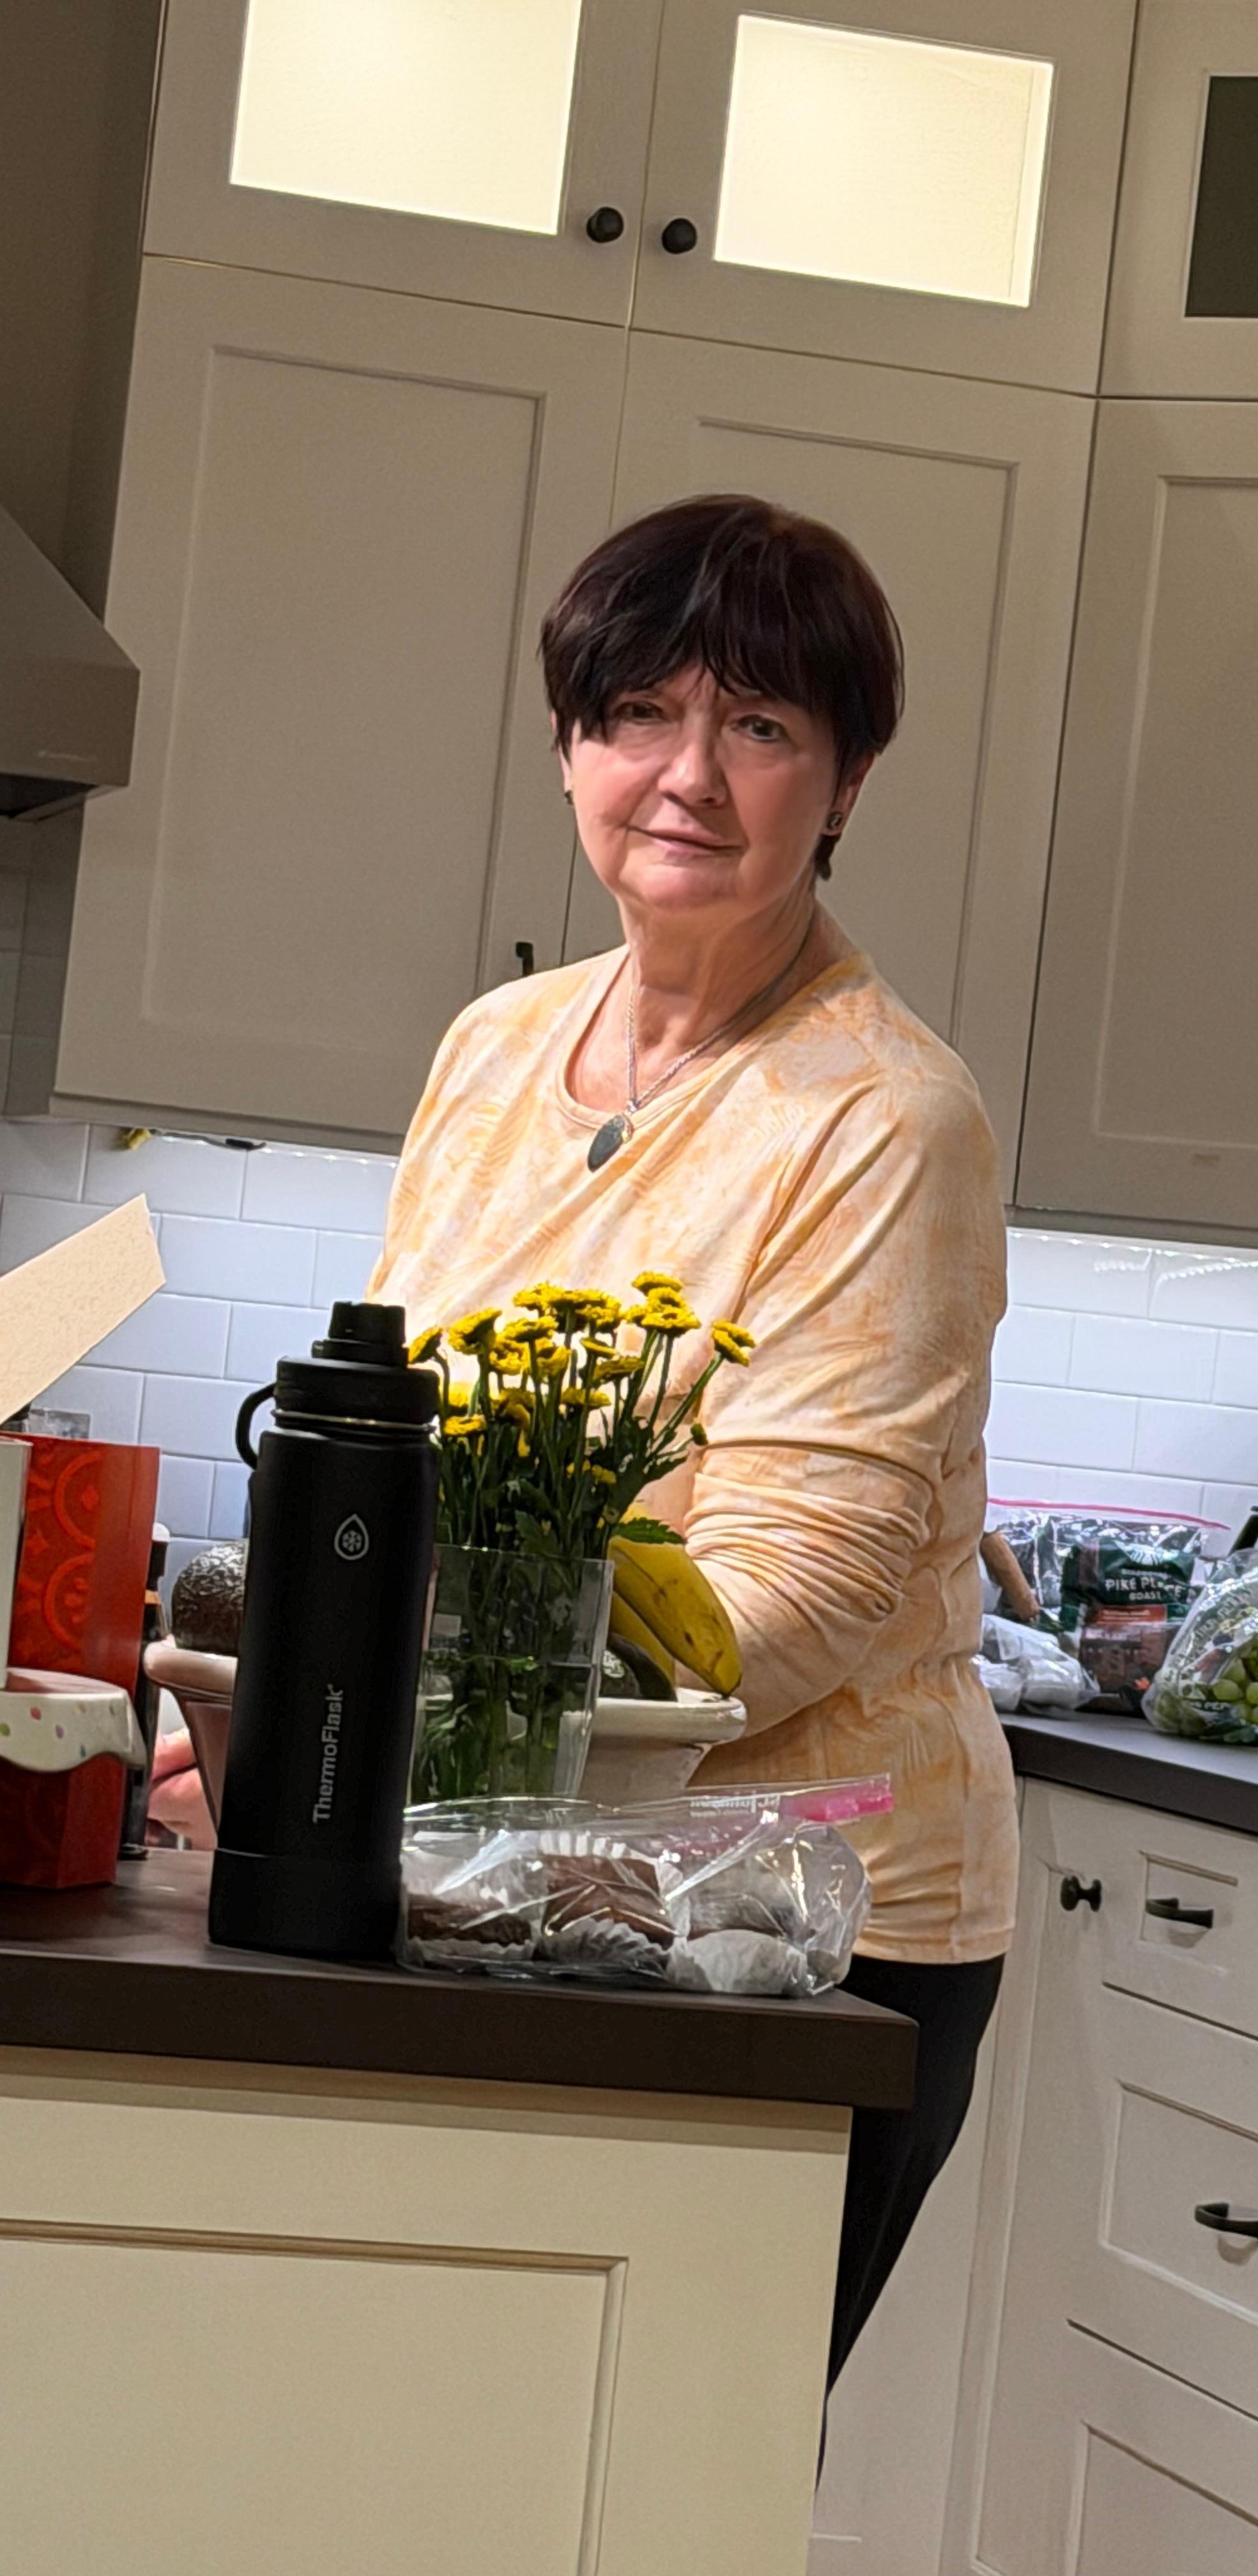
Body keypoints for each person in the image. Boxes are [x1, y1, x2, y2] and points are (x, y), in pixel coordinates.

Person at [369, 493, 1017, 2384]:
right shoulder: (496, 1049)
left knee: (655, 2475)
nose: (688, 775)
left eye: (760, 725)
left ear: (847, 779)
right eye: (640, 711)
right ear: (569, 743)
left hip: (801, 1926)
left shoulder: (886, 1117)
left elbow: (798, 1594)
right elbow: (404, 1446)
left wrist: (410, 1739)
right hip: (514, 1868)